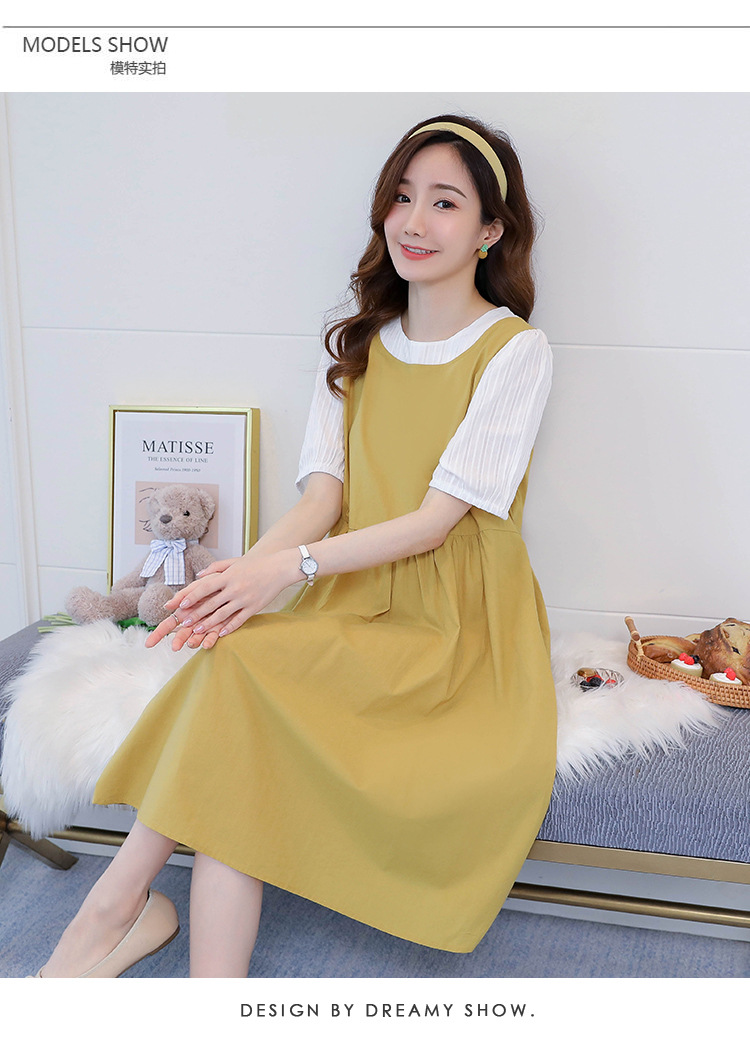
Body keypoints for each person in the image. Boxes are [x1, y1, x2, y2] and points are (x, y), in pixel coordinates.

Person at [34, 114, 557, 978]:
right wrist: (234, 583)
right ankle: (184, 966)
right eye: (401, 196)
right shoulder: (358, 344)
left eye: (444, 203)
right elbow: (323, 500)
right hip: (355, 600)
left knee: (240, 680)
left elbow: (435, 522)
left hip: (458, 628)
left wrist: (284, 569)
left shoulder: (515, 351)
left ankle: (113, 913)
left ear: (490, 231)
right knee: (236, 691)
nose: (413, 221)